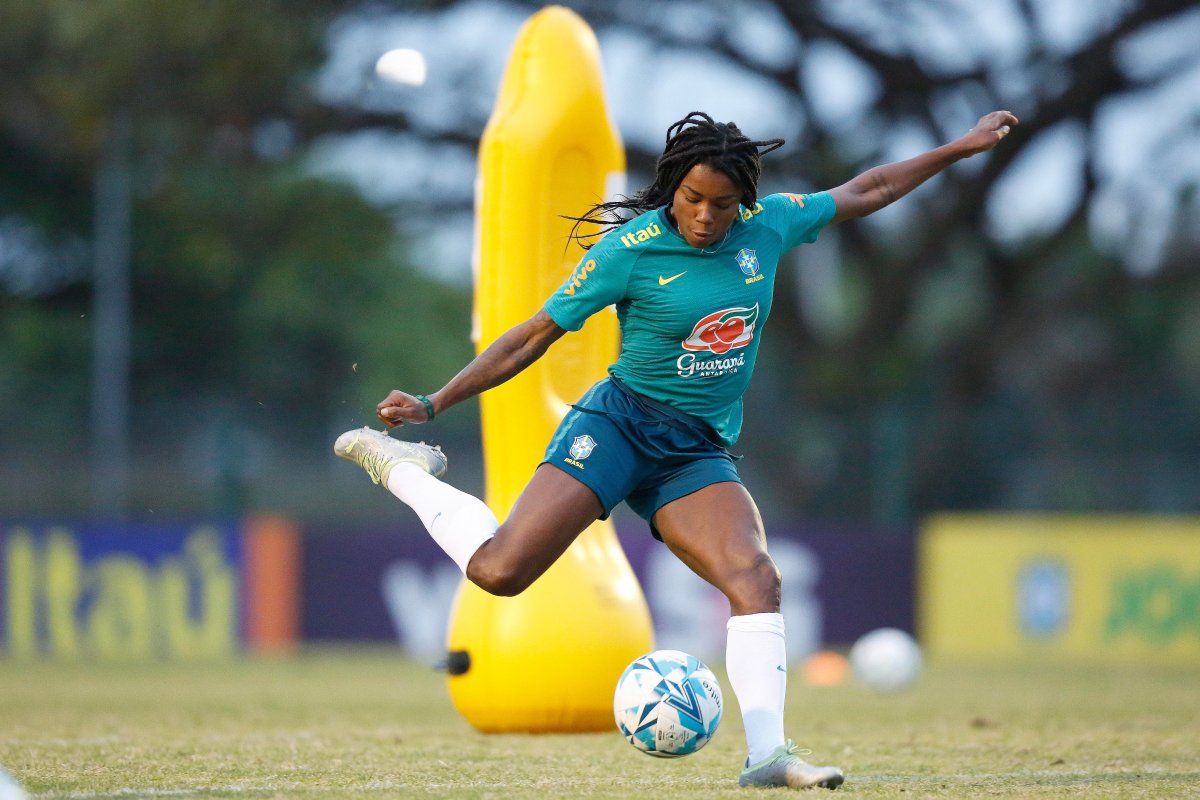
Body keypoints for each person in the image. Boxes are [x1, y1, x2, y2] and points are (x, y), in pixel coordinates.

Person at [335, 109, 1018, 790]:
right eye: (692, 200)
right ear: (673, 191)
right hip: (617, 427)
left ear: (742, 202)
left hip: (694, 450)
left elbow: (868, 190)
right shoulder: (629, 250)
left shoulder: (770, 227)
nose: (704, 217)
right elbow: (531, 336)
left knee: (756, 579)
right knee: (499, 572)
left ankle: (769, 757)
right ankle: (404, 469)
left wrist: (960, 148)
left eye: (721, 205)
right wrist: (433, 404)